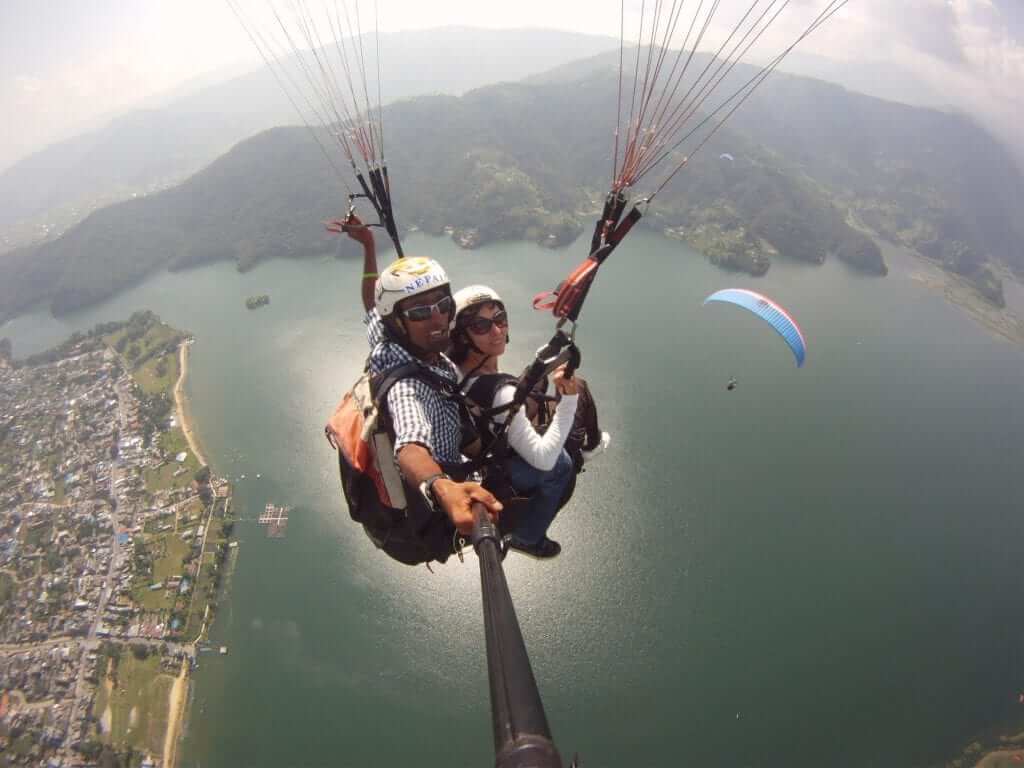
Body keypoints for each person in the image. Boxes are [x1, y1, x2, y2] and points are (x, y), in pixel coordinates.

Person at [328, 214, 502, 547]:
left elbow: (371, 306)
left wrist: (368, 246)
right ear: (399, 322)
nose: (437, 317)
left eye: (442, 304)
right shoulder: (409, 390)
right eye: (420, 312)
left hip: (455, 427)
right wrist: (443, 487)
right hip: (446, 474)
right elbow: (410, 447)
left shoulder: (387, 340)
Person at [450, 285, 576, 559]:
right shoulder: (501, 392)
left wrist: (544, 360)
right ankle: (528, 537)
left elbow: (512, 393)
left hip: (476, 447)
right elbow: (544, 459)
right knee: (561, 463)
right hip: (493, 471)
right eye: (481, 326)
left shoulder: (454, 369)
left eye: (499, 319)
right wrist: (570, 399)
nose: (497, 331)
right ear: (462, 337)